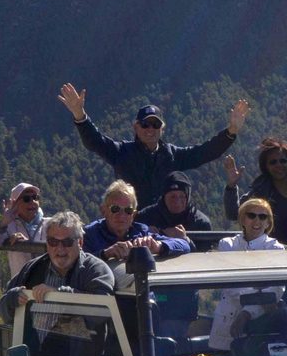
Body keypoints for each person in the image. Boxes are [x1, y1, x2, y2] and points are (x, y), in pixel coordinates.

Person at [58, 84, 250, 209]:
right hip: (129, 223)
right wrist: (80, 116)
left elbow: (205, 152)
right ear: (136, 126)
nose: (150, 129)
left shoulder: (173, 155)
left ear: (162, 129)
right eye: (145, 124)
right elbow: (95, 141)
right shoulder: (121, 152)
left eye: (155, 124)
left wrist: (231, 131)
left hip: (164, 224)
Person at [208, 198, 287, 350]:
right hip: (227, 321)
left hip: (263, 326)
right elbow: (230, 284)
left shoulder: (276, 248)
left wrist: (247, 313)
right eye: (251, 215)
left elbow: (275, 290)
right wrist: (258, 292)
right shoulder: (227, 245)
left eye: (263, 217)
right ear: (242, 219)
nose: (257, 220)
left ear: (268, 223)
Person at [4, 212, 116, 320]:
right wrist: (11, 300)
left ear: (80, 243)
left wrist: (59, 296)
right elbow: (2, 308)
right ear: (47, 243)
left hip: (81, 340)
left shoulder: (96, 270)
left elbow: (102, 311)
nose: (60, 248)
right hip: (29, 340)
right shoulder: (32, 268)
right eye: (53, 241)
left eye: (67, 242)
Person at [224, 138, 287, 242]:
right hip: (273, 249)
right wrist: (232, 184)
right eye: (273, 162)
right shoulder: (261, 190)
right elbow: (234, 214)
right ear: (265, 166)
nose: (279, 165)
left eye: (283, 161)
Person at [83, 181, 191, 263]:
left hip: (142, 289)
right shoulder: (89, 234)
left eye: (128, 210)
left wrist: (158, 246)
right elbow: (76, 264)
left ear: (133, 215)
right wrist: (105, 254)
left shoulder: (141, 231)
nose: (122, 215)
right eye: (115, 209)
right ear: (103, 211)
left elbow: (184, 244)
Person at [0, 182, 48, 279]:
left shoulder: (51, 224)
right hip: (20, 287)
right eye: (26, 199)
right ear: (15, 203)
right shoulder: (8, 227)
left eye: (35, 197)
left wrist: (27, 244)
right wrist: (3, 223)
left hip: (44, 288)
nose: (32, 201)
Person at [136, 172, 213, 234]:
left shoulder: (201, 223)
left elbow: (206, 251)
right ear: (164, 197)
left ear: (188, 197)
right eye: (172, 196)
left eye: (182, 196)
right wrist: (147, 233)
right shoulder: (145, 218)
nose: (177, 201)